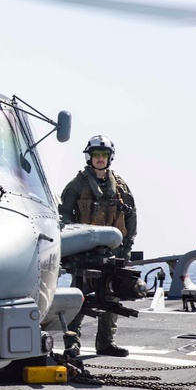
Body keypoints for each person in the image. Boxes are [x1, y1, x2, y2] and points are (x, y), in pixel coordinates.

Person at [59, 135, 137, 358]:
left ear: (109, 158)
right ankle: (72, 343)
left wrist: (127, 246)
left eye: (103, 155)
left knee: (110, 297)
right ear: (89, 157)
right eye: (96, 155)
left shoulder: (120, 186)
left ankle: (105, 343)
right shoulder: (77, 185)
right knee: (79, 298)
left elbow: (131, 216)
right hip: (84, 253)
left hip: (112, 254)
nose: (100, 159)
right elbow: (64, 215)